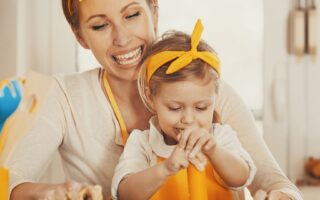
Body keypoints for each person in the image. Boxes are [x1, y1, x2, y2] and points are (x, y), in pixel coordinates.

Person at [2, 0, 302, 199]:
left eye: (132, 14)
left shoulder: (208, 94)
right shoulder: (63, 97)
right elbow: (8, 183)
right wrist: (51, 192)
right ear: (80, 36)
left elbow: (274, 183)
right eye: (99, 25)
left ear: (154, 11)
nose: (122, 38)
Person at [111, 19, 257, 200]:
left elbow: (241, 177)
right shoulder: (143, 144)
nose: (188, 119)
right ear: (151, 97)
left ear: (214, 99)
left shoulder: (220, 136)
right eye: (175, 108)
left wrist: (214, 151)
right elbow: (125, 194)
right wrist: (165, 169)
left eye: (201, 107)